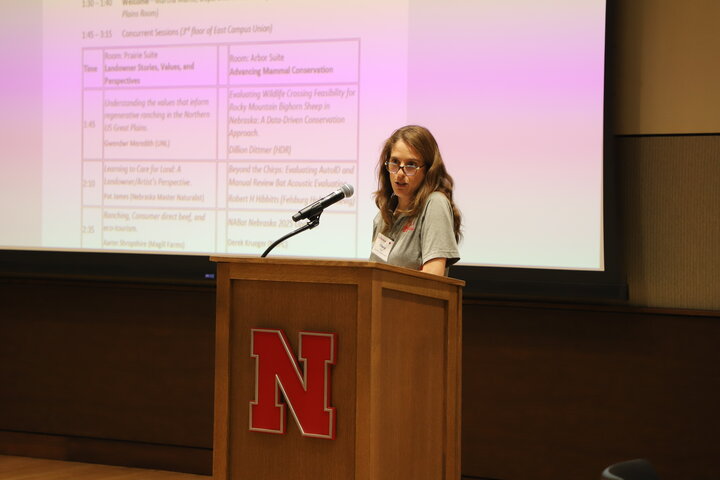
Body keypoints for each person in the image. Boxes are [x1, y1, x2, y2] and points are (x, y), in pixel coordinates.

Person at [369, 125, 461, 276]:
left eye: (411, 165)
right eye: (394, 162)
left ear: (428, 169)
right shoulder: (384, 216)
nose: (399, 174)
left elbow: (433, 276)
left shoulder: (435, 203)